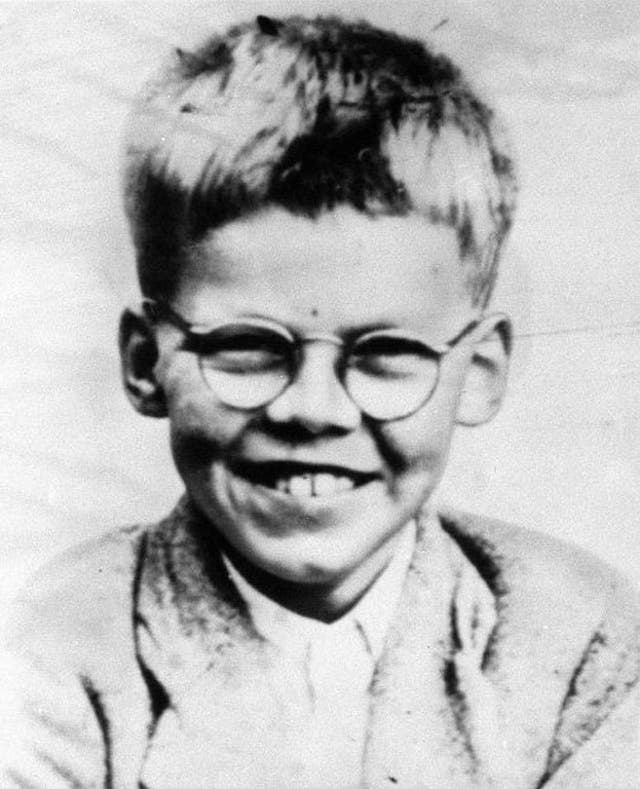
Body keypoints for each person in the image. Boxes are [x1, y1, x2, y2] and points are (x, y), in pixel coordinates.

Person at [2, 14, 639, 789]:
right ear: (145, 361)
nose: (314, 410)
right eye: (247, 346)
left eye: (386, 355)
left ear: (478, 370)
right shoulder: (53, 647)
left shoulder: (575, 634)